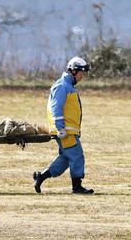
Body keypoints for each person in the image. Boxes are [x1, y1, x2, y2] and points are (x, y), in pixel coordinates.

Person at [33, 57, 93, 194]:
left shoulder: (68, 86)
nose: (82, 76)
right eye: (81, 73)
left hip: (67, 130)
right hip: (64, 130)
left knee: (66, 159)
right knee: (77, 156)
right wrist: (60, 128)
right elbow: (56, 108)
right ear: (73, 71)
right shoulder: (62, 86)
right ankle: (77, 187)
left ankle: (40, 177)